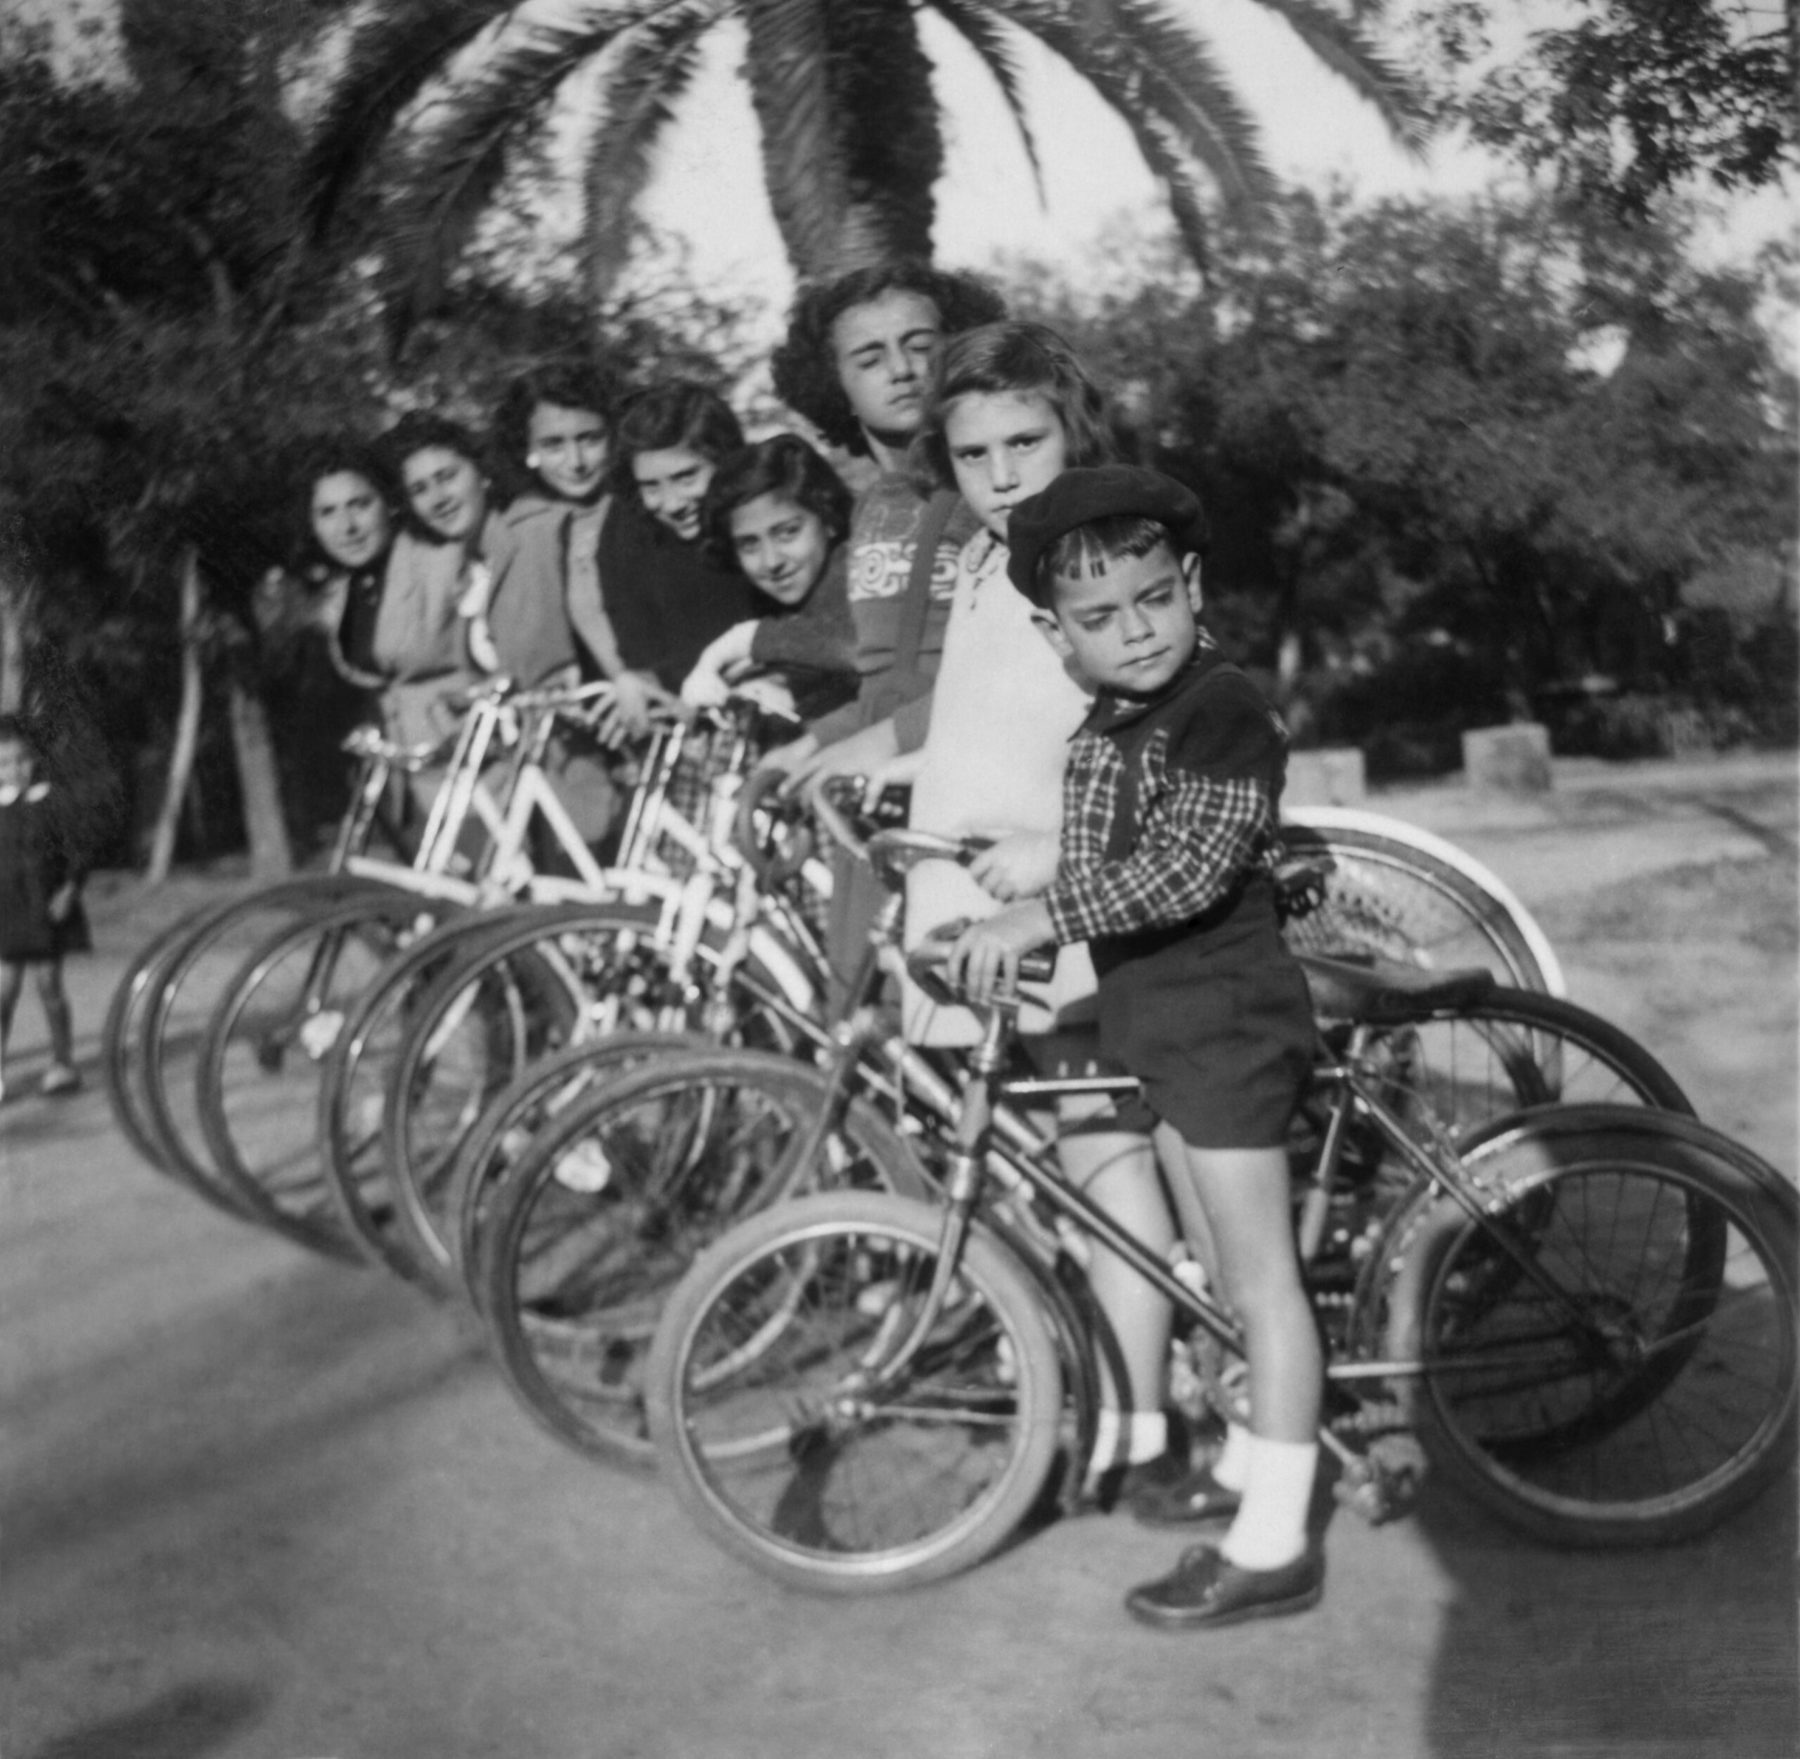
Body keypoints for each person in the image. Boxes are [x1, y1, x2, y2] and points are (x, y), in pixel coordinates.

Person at [947, 465, 1323, 1632]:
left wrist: (1037, 916)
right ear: (1061, 640)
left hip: (1224, 1023)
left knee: (1261, 1275)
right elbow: (1115, 845)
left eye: (1155, 598)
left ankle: (1275, 1539)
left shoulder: (1220, 704)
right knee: (1215, 1251)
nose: (1137, 630)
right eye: (1101, 619)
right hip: (1165, 1024)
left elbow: (1186, 868)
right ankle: (1260, 1454)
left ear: (1192, 585)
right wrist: (1022, 875)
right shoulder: (1109, 717)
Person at [873, 321, 1182, 1510]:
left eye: (1025, 442)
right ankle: (1126, 1401)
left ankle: (1149, 1429)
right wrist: (891, 783)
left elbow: (1170, 748)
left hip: (1072, 925)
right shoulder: (984, 570)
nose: (999, 475)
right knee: (1073, 1170)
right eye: (971, 454)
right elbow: (980, 734)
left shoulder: (1094, 570)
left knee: (1112, 1174)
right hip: (988, 922)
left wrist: (1059, 852)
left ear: (1075, 434)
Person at [764, 262, 1006, 1000]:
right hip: (874, 809)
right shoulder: (872, 508)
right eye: (869, 357)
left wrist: (875, 743)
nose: (900, 371)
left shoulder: (988, 491)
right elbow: (884, 680)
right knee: (863, 1025)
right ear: (832, 382)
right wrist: (814, 742)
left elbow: (1007, 678)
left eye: (920, 345)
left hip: (969, 800)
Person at [680, 434, 857, 728]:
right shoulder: (797, 594)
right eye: (749, 544)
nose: (771, 561)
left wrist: (746, 639)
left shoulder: (853, 568)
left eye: (788, 532)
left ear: (828, 519)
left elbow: (856, 646)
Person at [598, 382, 761, 696]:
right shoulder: (630, 539)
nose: (672, 504)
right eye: (651, 486)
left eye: (686, 477)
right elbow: (639, 656)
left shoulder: (764, 522)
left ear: (726, 459)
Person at [0, 716, 90, 1102]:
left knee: (49, 985)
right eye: (3, 762)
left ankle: (62, 1062)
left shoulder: (52, 802)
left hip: (47, 908)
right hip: (5, 912)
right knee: (3, 991)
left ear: (34, 758)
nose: (14, 769)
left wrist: (69, 890)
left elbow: (77, 852)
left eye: (21, 759)